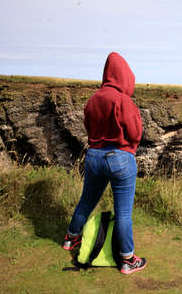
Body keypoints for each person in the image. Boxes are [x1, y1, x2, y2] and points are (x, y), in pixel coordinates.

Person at [62, 52, 146, 275]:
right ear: (125, 76)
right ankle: (127, 260)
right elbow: (135, 132)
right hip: (119, 156)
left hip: (94, 155)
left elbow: (88, 127)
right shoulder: (122, 100)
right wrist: (129, 147)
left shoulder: (93, 99)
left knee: (87, 201)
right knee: (123, 212)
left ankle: (71, 239)